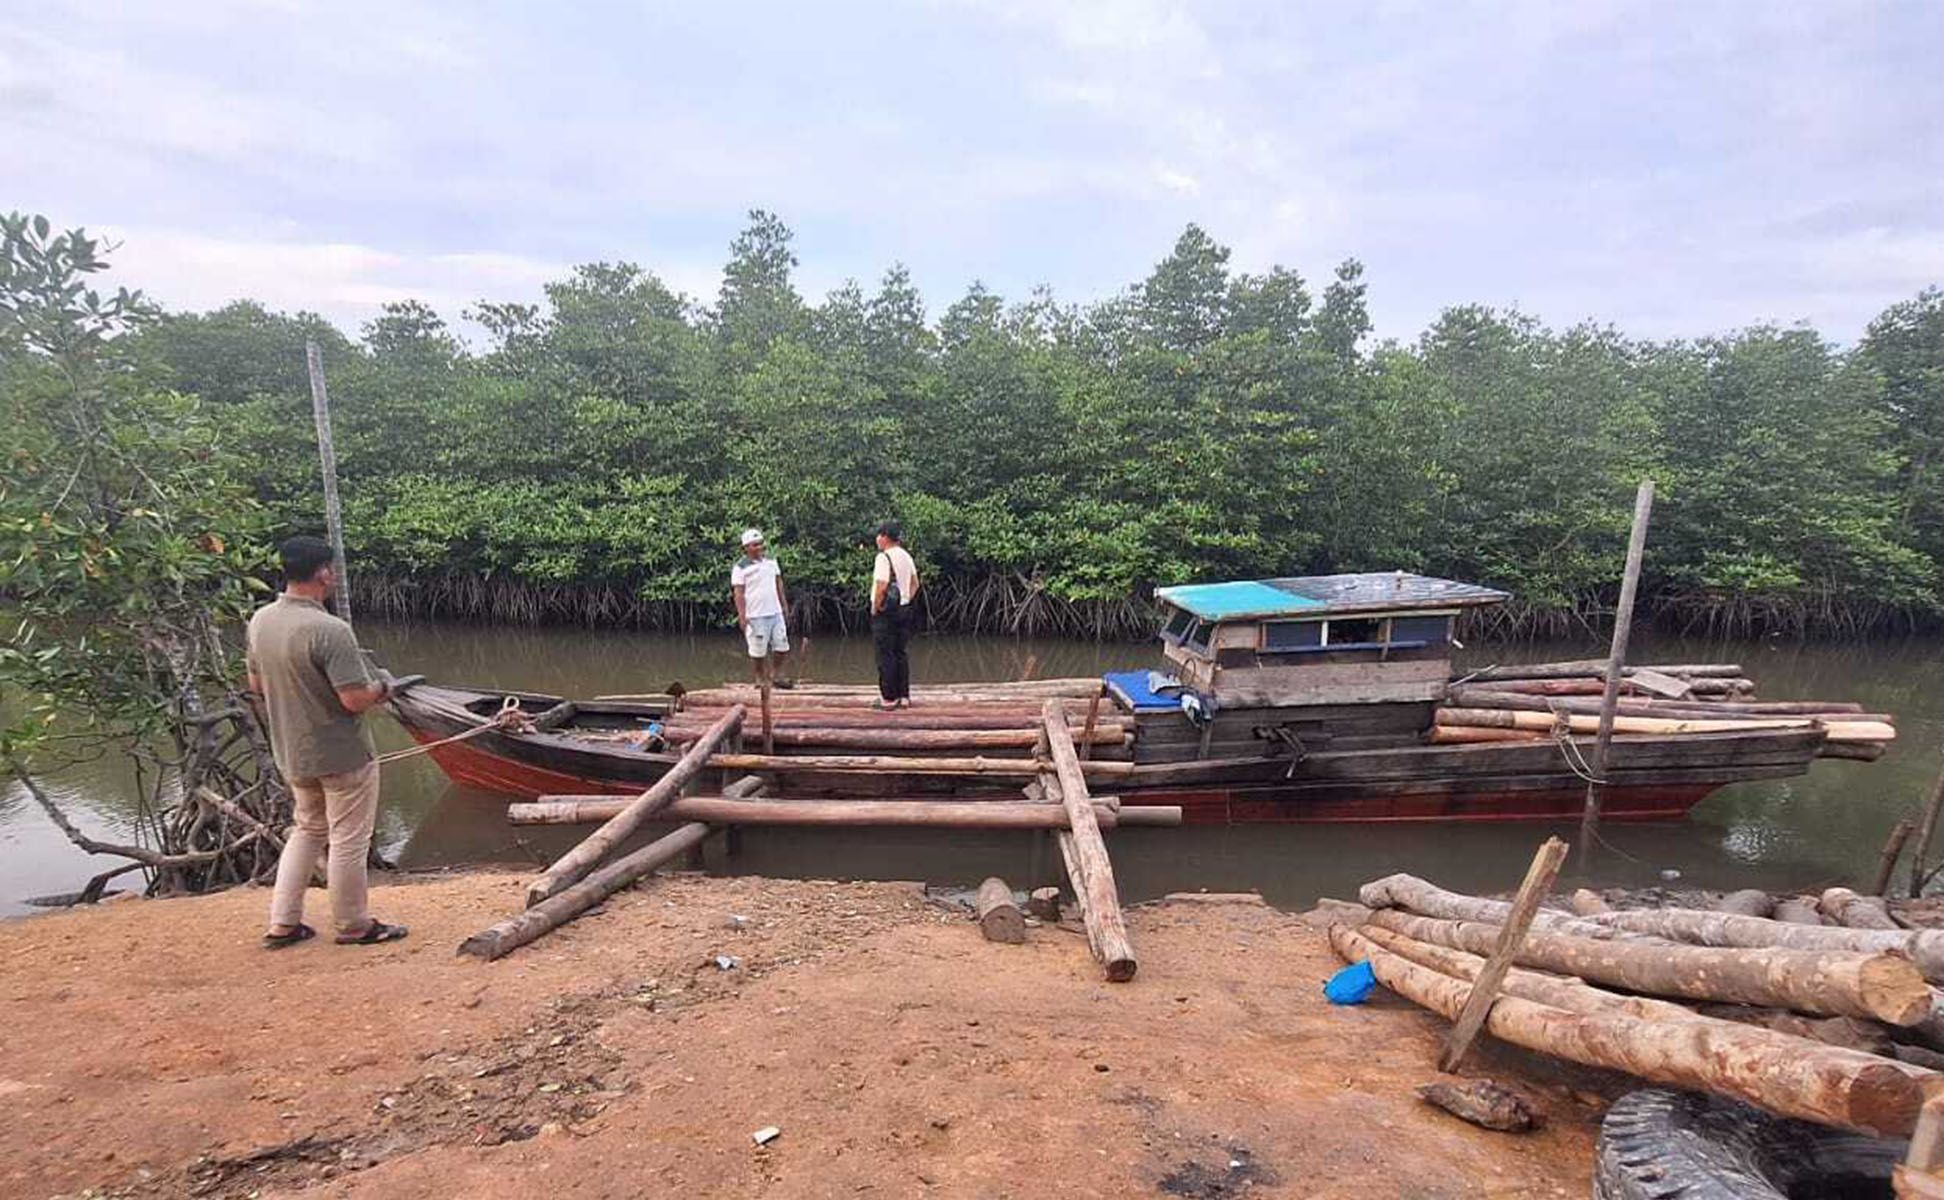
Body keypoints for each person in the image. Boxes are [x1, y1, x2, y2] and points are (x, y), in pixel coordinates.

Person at [249, 535, 407, 948]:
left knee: (306, 831)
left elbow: (255, 684)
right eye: (332, 568)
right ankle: (355, 925)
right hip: (343, 755)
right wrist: (383, 688)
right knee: (349, 840)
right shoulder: (330, 630)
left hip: (293, 753)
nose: (334, 575)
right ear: (322, 572)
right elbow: (354, 699)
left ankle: (282, 924)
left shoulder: (261, 620)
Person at [731, 527, 791, 686]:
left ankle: (775, 675)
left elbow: (779, 583)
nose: (760, 547)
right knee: (758, 651)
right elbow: (738, 593)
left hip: (775, 612)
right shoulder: (740, 567)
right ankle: (759, 677)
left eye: (761, 544)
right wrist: (742, 616)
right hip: (755, 615)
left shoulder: (771, 561)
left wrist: (784, 605)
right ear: (746, 548)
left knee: (782, 646)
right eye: (755, 545)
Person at [870, 521, 920, 709]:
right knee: (900, 652)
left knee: (885, 654)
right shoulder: (906, 556)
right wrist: (905, 598)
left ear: (884, 537)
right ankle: (904, 696)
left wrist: (876, 607)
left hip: (886, 613)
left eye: (878, 535)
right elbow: (915, 583)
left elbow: (882, 585)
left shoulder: (883, 557)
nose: (877, 539)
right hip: (904, 610)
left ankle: (888, 699)